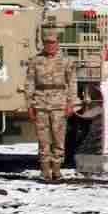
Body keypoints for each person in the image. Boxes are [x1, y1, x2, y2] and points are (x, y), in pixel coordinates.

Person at [25, 36, 78, 182]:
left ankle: (56, 170)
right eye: (47, 42)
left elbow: (72, 83)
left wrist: (71, 103)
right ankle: (44, 171)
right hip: (41, 105)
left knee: (58, 139)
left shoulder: (67, 61)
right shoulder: (35, 61)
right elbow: (29, 83)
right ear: (43, 44)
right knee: (43, 140)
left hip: (59, 105)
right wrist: (29, 104)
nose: (50, 45)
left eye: (53, 42)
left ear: (57, 43)